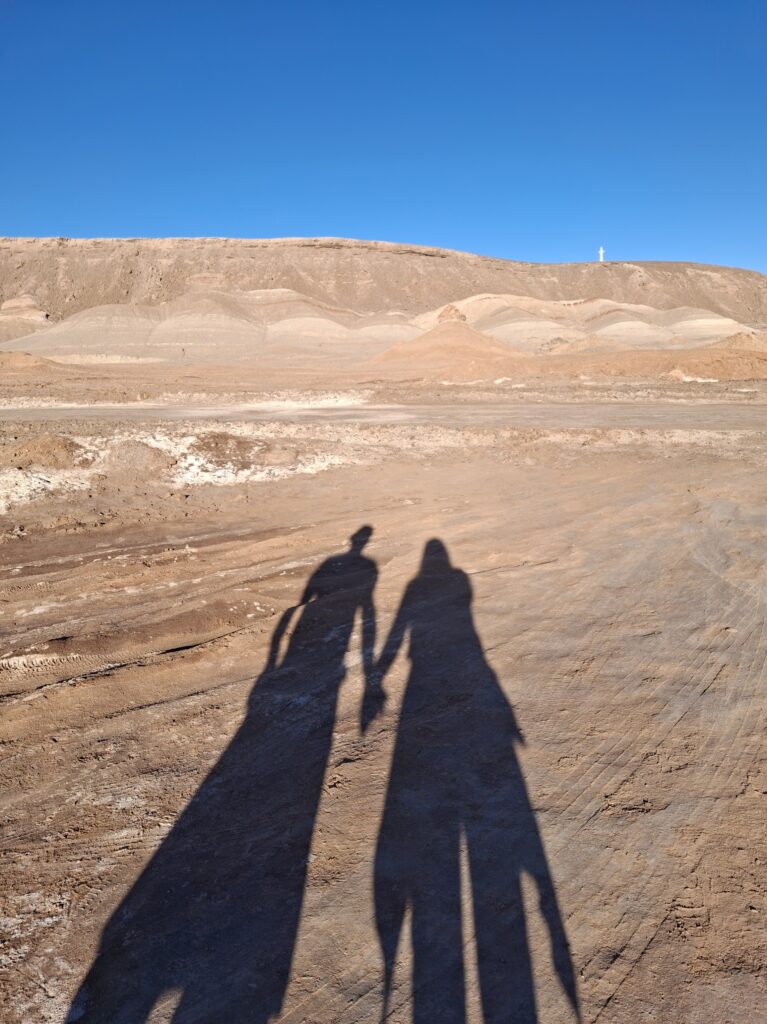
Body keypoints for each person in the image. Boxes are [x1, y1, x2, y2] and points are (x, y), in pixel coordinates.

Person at [67, 526, 380, 1023]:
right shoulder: (360, 570)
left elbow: (294, 615)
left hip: (301, 656)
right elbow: (351, 617)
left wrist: (278, 657)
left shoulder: (347, 568)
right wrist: (363, 668)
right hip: (316, 658)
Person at [373, 539, 579, 1023]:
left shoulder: (421, 585)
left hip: (425, 680)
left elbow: (401, 631)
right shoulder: (456, 582)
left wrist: (378, 675)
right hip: (455, 672)